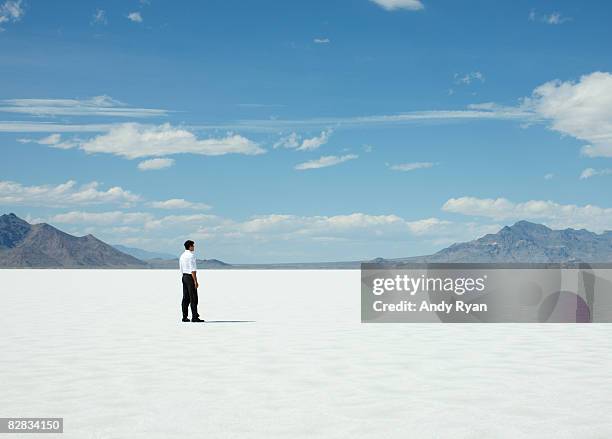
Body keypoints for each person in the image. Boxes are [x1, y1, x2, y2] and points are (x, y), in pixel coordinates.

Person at [179, 240, 204, 322]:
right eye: (193, 246)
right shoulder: (191, 256)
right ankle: (194, 317)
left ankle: (184, 317)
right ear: (190, 246)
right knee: (193, 297)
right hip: (190, 277)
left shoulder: (182, 256)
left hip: (184, 276)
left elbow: (181, 268)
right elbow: (193, 270)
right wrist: (195, 281)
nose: (194, 247)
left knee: (185, 297)